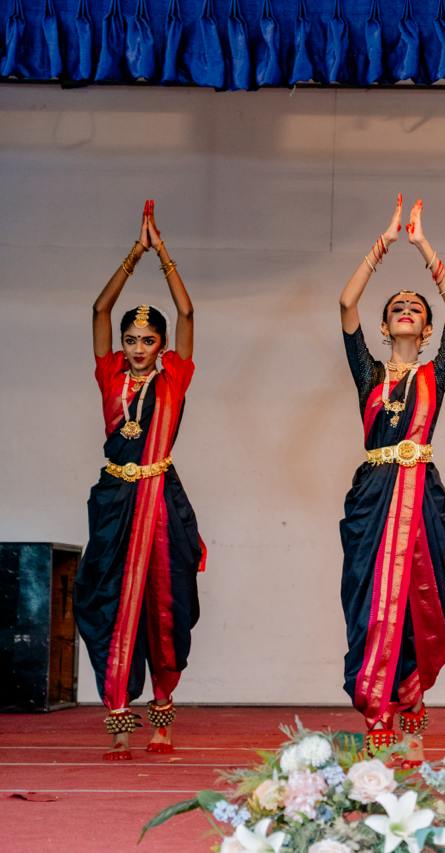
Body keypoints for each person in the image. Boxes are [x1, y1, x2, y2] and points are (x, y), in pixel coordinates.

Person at [337, 196, 445, 765]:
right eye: (397, 307)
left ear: (428, 326)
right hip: (373, 498)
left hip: (421, 500)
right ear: (386, 327)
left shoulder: (437, 372)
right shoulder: (368, 372)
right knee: (370, 602)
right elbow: (346, 301)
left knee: (418, 602)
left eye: (417, 306)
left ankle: (410, 705)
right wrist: (384, 243)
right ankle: (378, 711)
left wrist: (422, 245)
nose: (408, 309)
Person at [76, 200, 204, 760]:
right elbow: (100, 310)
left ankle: (162, 719)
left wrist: (165, 255)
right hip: (115, 499)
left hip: (160, 500)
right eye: (131, 340)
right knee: (107, 598)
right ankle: (118, 718)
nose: (137, 348)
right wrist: (134, 254)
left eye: (147, 341)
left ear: (160, 347)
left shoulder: (174, 376)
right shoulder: (109, 374)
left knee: (166, 601)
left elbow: (189, 315)